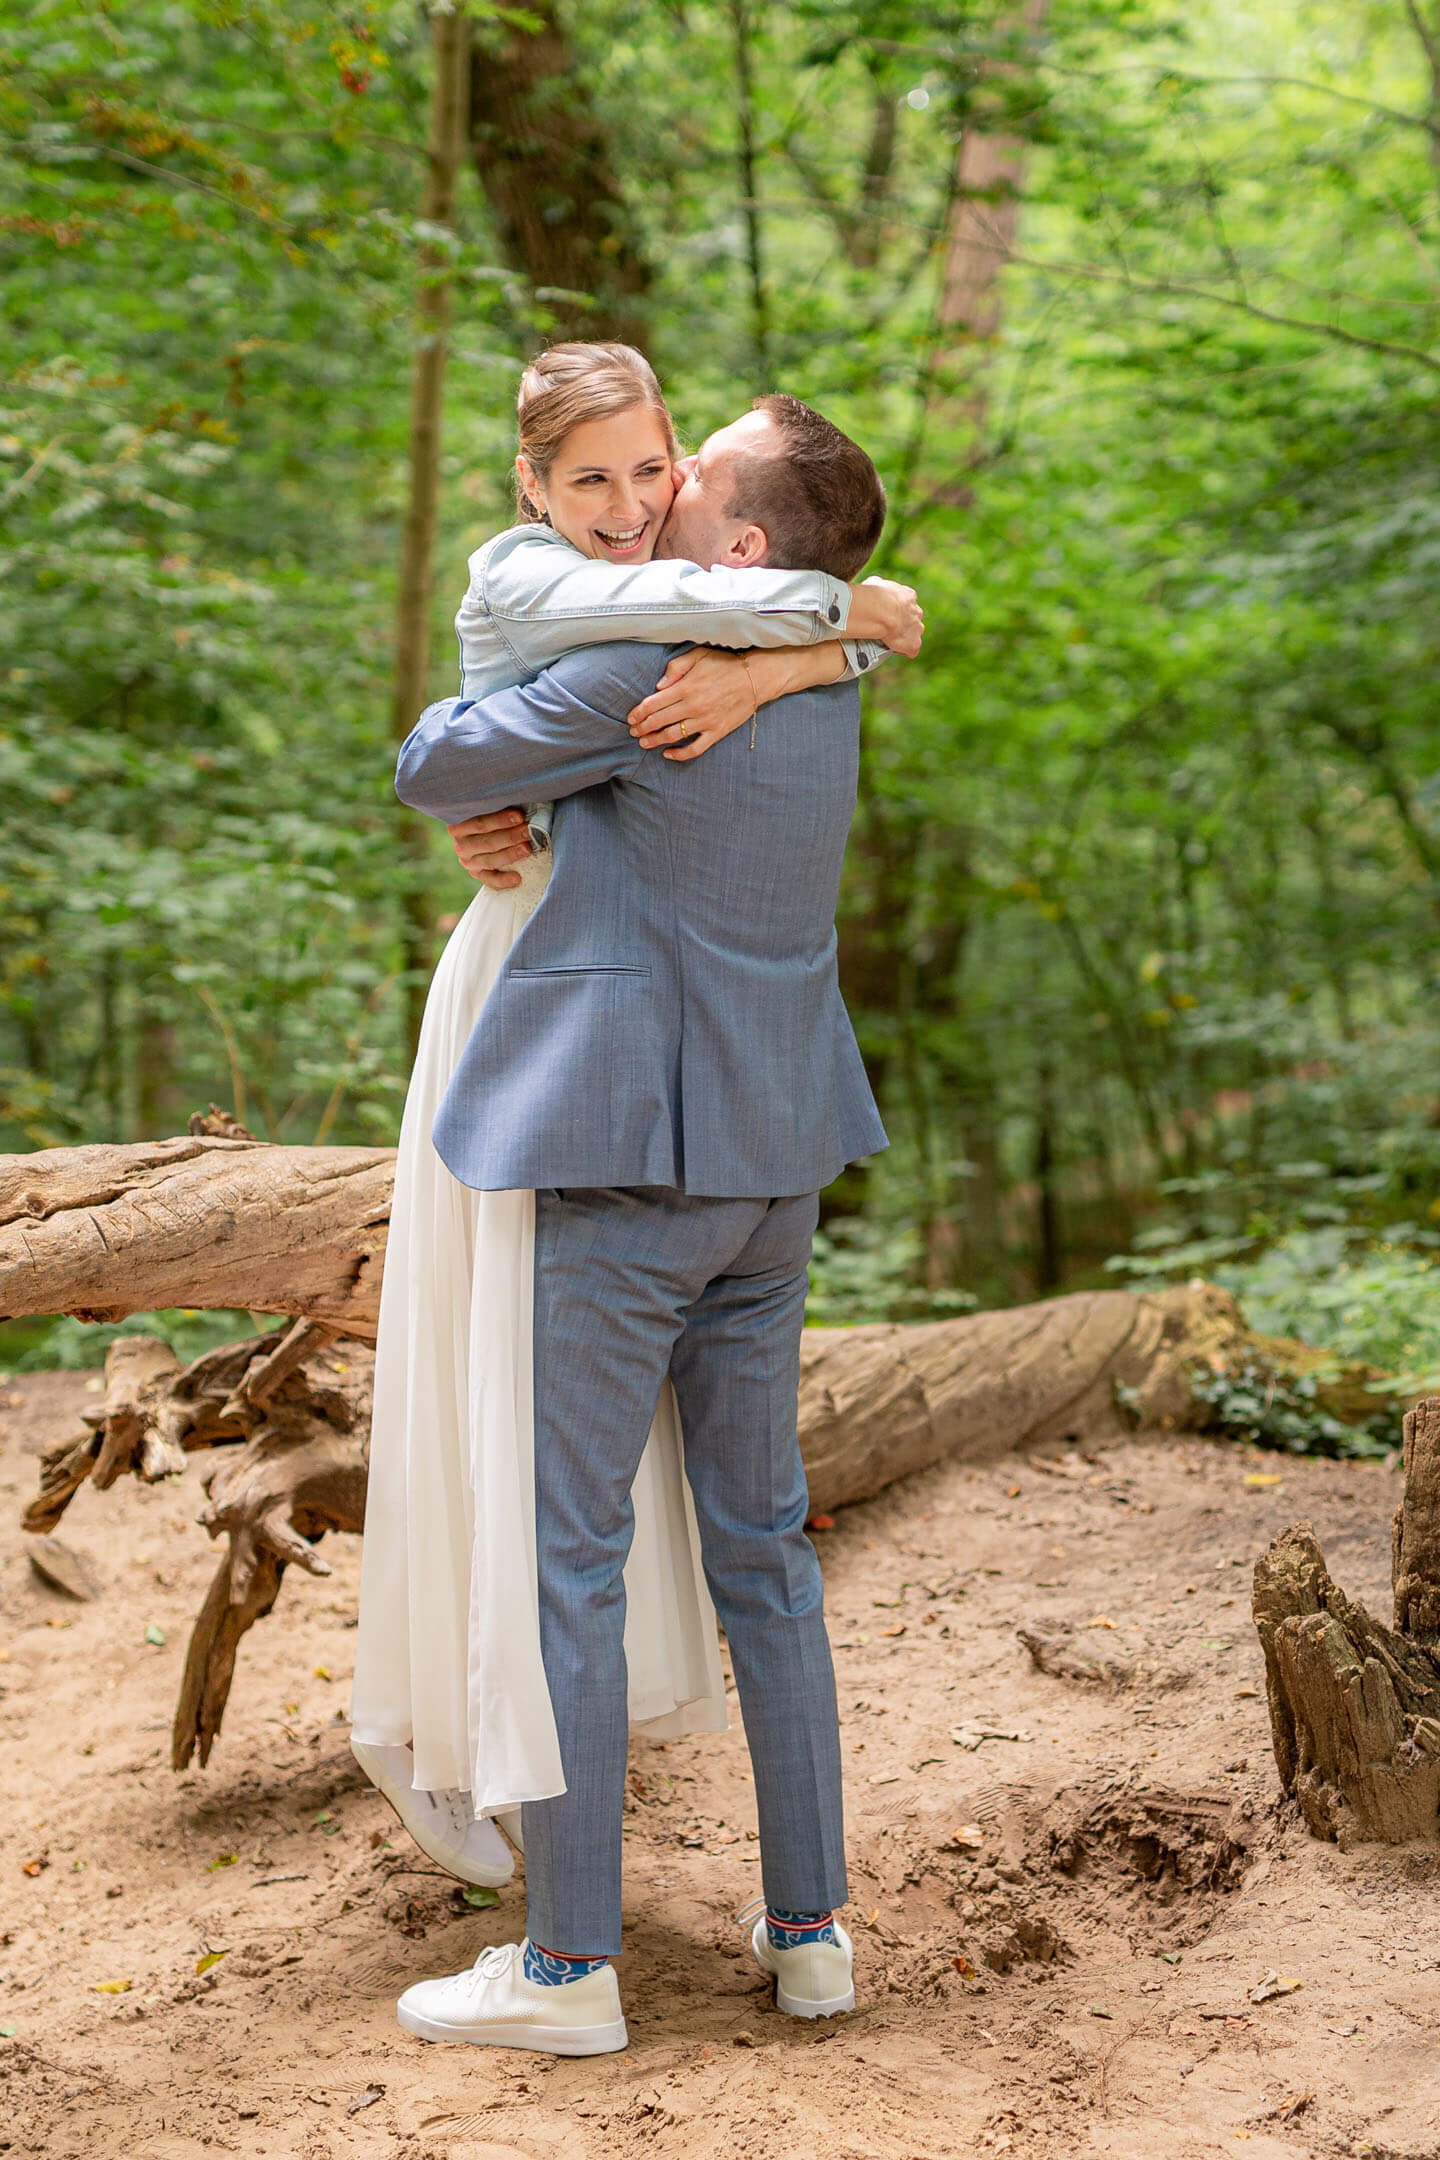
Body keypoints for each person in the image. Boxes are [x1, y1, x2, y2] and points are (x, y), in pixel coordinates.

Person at [348, 344, 921, 1891]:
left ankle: (568, 1956)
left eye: (677, 473)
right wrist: (828, 643)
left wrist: (488, 786)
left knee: (571, 1555)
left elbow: (429, 760)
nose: (644, 502)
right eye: (607, 477)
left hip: (631, 1155)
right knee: (768, 1550)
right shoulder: (809, 692)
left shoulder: (632, 674)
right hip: (783, 1155)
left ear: (734, 542)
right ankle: (812, 1927)